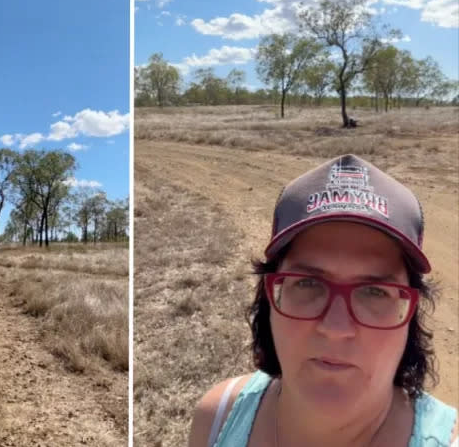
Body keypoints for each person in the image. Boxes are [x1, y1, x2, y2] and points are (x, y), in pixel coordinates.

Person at [188, 154, 458, 447]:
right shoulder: (217, 421)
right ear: (269, 297)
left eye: (374, 291)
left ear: (411, 311)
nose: (336, 328)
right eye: (308, 284)